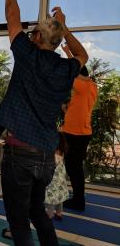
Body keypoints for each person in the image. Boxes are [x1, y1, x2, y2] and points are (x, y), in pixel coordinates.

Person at [0, 0, 88, 246]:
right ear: (57, 43)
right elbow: (82, 54)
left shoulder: (27, 55)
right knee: (37, 212)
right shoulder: (66, 68)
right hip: (46, 155)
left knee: (19, 220)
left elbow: (12, 18)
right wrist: (64, 28)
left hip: (19, 151)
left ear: (35, 37)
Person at [60, 44, 98, 211]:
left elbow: (72, 70)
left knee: (73, 169)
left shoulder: (82, 86)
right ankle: (78, 198)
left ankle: (78, 201)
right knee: (75, 168)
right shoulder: (91, 87)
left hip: (75, 134)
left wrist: (68, 54)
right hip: (81, 132)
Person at [44, 133, 69, 220]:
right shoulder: (61, 154)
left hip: (52, 181)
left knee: (50, 200)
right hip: (60, 181)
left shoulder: (53, 156)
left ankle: (49, 215)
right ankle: (59, 214)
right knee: (59, 199)